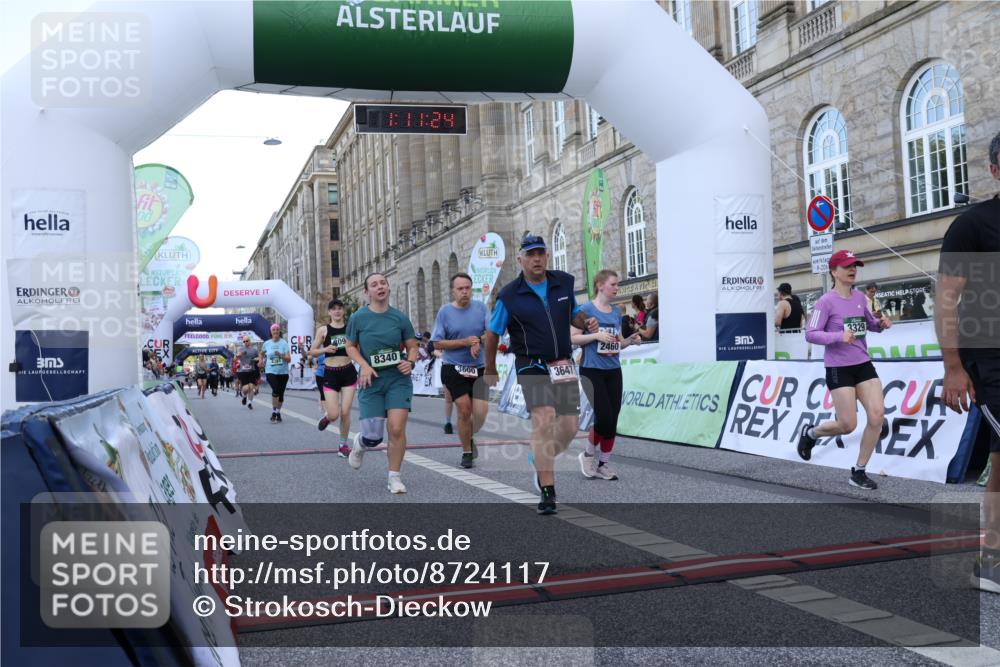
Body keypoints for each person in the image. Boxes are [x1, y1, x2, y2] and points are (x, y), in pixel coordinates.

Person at [484, 232, 598, 515]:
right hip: (530, 364)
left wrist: (586, 321)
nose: (536, 259)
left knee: (570, 427)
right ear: (520, 259)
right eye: (530, 255)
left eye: (541, 253)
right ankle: (548, 490)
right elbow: (492, 332)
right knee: (544, 420)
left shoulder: (563, 282)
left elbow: (573, 313)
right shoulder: (509, 295)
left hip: (562, 362)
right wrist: (488, 368)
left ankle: (539, 457)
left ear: (547, 256)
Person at [936, 130, 1000, 594]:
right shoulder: (973, 224)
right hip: (990, 357)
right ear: (995, 168)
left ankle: (992, 558)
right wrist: (953, 367)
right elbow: (945, 299)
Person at [797, 250, 893, 490]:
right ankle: (811, 434)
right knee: (848, 424)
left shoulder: (861, 297)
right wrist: (839, 336)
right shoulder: (825, 301)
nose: (853, 270)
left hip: (863, 364)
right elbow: (811, 333)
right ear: (834, 271)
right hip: (839, 368)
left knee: (877, 415)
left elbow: (869, 324)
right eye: (848, 266)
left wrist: (881, 324)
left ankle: (859, 472)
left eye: (855, 266)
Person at [345, 273, 419, 494]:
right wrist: (364, 366)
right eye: (374, 284)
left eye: (383, 283)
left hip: (398, 379)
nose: (380, 287)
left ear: (388, 287)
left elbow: (412, 346)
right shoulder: (358, 318)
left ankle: (394, 477)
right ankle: (360, 443)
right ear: (367, 292)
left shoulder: (399, 318)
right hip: (371, 381)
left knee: (396, 428)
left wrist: (410, 361)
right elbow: (350, 346)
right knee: (373, 436)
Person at [572, 270, 642, 481]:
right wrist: (595, 335)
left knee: (613, 418)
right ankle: (587, 455)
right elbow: (572, 338)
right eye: (613, 284)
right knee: (604, 415)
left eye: (617, 284)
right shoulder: (584, 310)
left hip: (613, 369)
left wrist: (631, 341)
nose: (617, 288)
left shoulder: (615, 313)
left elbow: (617, 342)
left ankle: (603, 464)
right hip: (591, 369)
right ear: (600, 285)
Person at [431, 272, 490, 468]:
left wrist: (477, 341)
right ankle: (467, 450)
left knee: (480, 414)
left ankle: (469, 437)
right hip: (453, 367)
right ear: (453, 291)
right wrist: (464, 342)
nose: (465, 292)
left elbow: (492, 333)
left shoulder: (481, 308)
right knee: (464, 409)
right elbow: (436, 343)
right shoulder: (445, 312)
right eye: (460, 289)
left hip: (478, 367)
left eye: (467, 288)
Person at [309, 298, 358, 457]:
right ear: (329, 312)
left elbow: (357, 347)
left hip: (348, 371)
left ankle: (343, 445)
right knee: (334, 414)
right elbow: (312, 351)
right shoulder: (323, 330)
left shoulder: (350, 328)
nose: (337, 311)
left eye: (339, 308)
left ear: (343, 311)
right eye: (333, 309)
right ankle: (328, 417)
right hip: (330, 373)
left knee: (345, 412)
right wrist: (326, 349)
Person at [260, 323, 291, 423]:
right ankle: (274, 412)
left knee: (281, 395)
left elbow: (288, 359)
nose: (276, 331)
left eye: (277, 330)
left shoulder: (284, 343)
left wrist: (281, 355)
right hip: (270, 371)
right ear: (271, 332)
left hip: (283, 372)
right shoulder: (267, 343)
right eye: (274, 330)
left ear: (279, 331)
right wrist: (260, 361)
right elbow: (261, 353)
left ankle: (278, 412)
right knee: (276, 390)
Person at [236, 335, 261, 410]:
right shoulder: (240, 349)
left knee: (251, 387)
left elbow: (259, 358)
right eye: (244, 341)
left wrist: (254, 359)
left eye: (247, 341)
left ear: (250, 341)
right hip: (243, 371)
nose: (245, 342)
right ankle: (244, 396)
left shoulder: (254, 350)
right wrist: (239, 355)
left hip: (251, 370)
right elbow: (236, 357)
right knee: (246, 388)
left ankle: (250, 403)